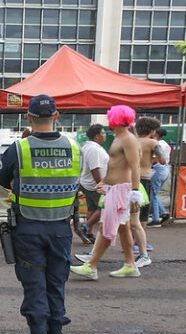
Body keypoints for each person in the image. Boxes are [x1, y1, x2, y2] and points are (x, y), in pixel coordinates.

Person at [0, 95, 81, 334]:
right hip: (61, 228)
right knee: (56, 287)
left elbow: (2, 181)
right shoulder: (74, 147)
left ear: (29, 118)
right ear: (56, 116)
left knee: (35, 289)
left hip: (29, 228)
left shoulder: (19, 149)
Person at [71, 105, 142, 281]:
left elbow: (135, 166)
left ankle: (92, 265)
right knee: (122, 227)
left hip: (121, 190)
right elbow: (115, 165)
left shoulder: (127, 139)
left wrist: (134, 191)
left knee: (106, 227)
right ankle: (130, 264)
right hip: (115, 189)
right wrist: (104, 182)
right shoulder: (121, 138)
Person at [132, 117, 162, 267]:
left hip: (131, 178)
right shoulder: (153, 143)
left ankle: (134, 242)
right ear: (152, 130)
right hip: (145, 179)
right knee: (142, 215)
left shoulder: (132, 141)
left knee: (132, 213)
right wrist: (153, 159)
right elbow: (163, 160)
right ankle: (139, 244)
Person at [79, 124, 109, 242]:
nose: (105, 135)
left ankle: (88, 233)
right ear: (97, 136)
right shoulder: (94, 149)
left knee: (92, 209)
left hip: (90, 183)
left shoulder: (90, 147)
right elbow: (94, 168)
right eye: (103, 133)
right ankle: (85, 227)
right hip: (94, 184)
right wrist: (101, 184)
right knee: (103, 207)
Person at [148, 128, 171, 227]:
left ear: (156, 133)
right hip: (165, 169)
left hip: (158, 169)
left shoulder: (157, 144)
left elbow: (156, 158)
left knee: (153, 194)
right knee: (154, 194)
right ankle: (162, 212)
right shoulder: (165, 143)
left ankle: (156, 219)